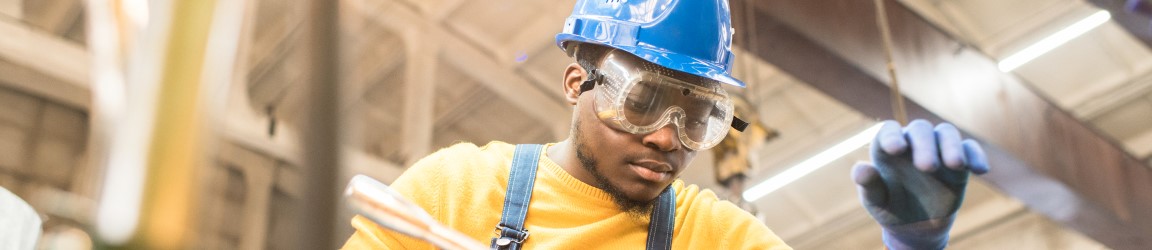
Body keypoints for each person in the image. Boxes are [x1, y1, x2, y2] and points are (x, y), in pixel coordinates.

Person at [342, 0, 989, 249]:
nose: (666, 140)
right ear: (577, 83)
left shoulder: (715, 236)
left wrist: (914, 248)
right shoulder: (453, 193)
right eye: (644, 101)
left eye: (699, 117)